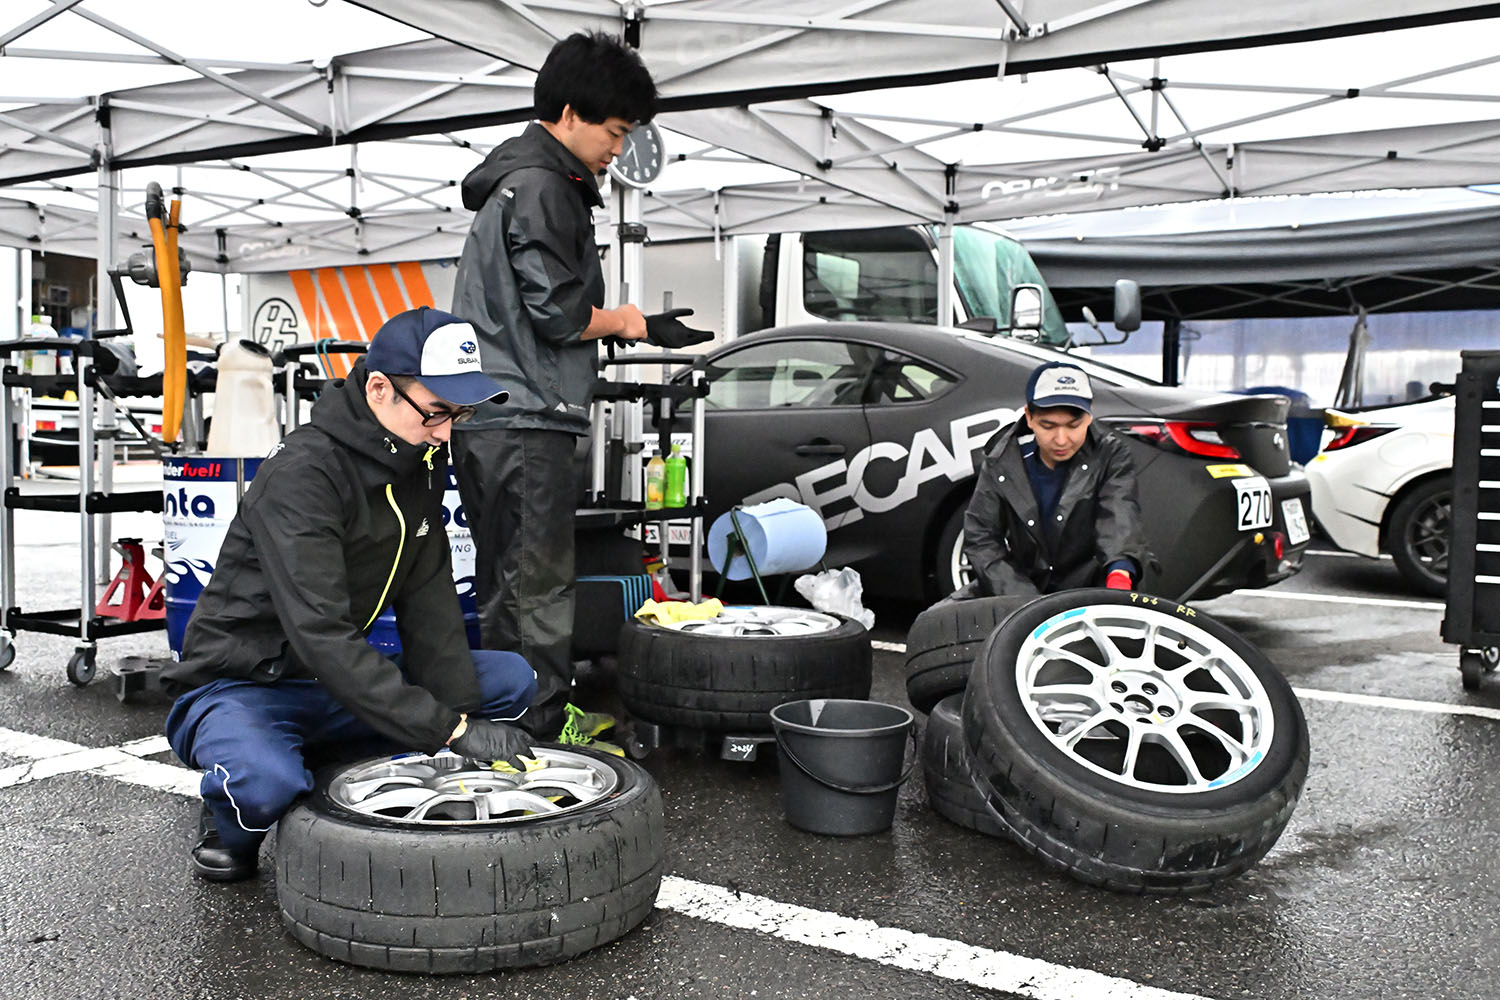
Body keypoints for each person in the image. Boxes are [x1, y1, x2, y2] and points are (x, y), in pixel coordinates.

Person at [163, 307, 538, 883]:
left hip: (330, 682)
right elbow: (320, 633)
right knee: (265, 786)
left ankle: (335, 756)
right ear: (380, 388)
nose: (447, 432)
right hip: (247, 684)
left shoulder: (421, 459)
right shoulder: (303, 475)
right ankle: (230, 813)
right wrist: (451, 731)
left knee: (510, 679)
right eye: (437, 412)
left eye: (459, 414)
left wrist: (456, 722)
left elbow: (430, 598)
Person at [448, 31, 659, 743]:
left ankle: (515, 716)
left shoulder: (518, 181)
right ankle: (539, 728)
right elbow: (559, 311)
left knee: (508, 582)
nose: (617, 150)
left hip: (494, 416)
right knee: (535, 584)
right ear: (571, 113)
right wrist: (625, 320)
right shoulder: (545, 185)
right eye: (615, 131)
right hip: (525, 416)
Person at [953, 361, 1149, 599]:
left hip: (1092, 587)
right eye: (1048, 426)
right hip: (1021, 588)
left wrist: (1118, 579)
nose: (1061, 439)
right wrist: (1023, 598)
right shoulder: (1002, 460)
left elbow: (1119, 516)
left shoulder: (1111, 455)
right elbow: (981, 535)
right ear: (1029, 417)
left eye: (1073, 425)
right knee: (937, 621)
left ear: (1088, 417)